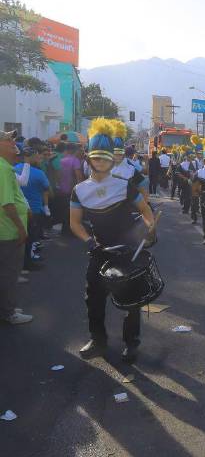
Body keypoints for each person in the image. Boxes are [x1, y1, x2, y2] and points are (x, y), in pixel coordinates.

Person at [70, 119, 155, 362]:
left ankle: (131, 343)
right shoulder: (80, 190)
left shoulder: (124, 185)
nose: (101, 163)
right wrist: (89, 242)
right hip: (99, 250)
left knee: (131, 299)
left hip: (127, 249)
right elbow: (74, 222)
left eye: (105, 158)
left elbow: (145, 210)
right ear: (89, 159)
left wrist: (149, 227)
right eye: (96, 158)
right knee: (94, 298)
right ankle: (98, 340)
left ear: (111, 159)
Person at [0, 130, 32, 325]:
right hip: (8, 232)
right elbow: (7, 204)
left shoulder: (5, 166)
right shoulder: (2, 168)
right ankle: (8, 312)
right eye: (8, 139)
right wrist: (21, 229)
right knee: (9, 274)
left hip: (7, 231)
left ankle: (6, 307)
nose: (13, 142)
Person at [14, 146, 49, 271]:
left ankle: (25, 263)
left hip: (21, 209)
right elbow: (47, 189)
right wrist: (46, 206)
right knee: (30, 239)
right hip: (33, 209)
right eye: (37, 155)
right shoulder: (39, 173)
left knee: (24, 239)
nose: (39, 157)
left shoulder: (14, 168)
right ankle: (27, 263)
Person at [53, 142, 83, 235]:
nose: (79, 151)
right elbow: (78, 176)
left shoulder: (62, 160)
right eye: (78, 150)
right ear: (73, 150)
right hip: (71, 189)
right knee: (72, 211)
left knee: (65, 210)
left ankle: (65, 230)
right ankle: (71, 231)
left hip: (62, 189)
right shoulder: (75, 160)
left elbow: (57, 174)